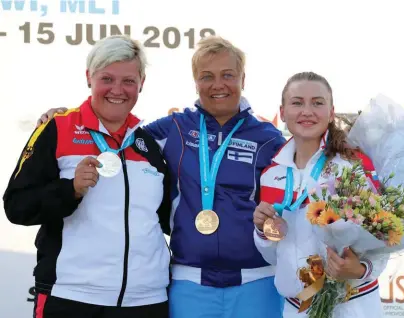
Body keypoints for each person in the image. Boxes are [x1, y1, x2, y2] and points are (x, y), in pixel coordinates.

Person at [35, 36, 286, 318]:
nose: (218, 85)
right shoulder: (174, 128)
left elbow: (302, 175)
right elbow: (117, 131)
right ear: (195, 82)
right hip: (189, 281)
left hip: (256, 281)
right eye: (207, 76)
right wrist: (65, 116)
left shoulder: (269, 139)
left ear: (243, 78)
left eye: (228, 75)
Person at [3, 35, 171, 318]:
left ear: (141, 83)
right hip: (72, 297)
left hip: (145, 300)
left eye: (128, 80)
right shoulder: (57, 128)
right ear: (89, 77)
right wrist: (70, 190)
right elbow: (17, 206)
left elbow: (167, 218)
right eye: (107, 78)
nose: (117, 89)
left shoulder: (148, 144)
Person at [253, 71, 388, 317]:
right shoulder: (271, 174)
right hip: (297, 307)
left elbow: (384, 236)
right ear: (282, 112)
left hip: (351, 304)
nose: (307, 111)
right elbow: (275, 254)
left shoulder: (353, 164)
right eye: (297, 102)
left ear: (331, 111)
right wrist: (263, 231)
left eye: (317, 102)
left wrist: (360, 270)